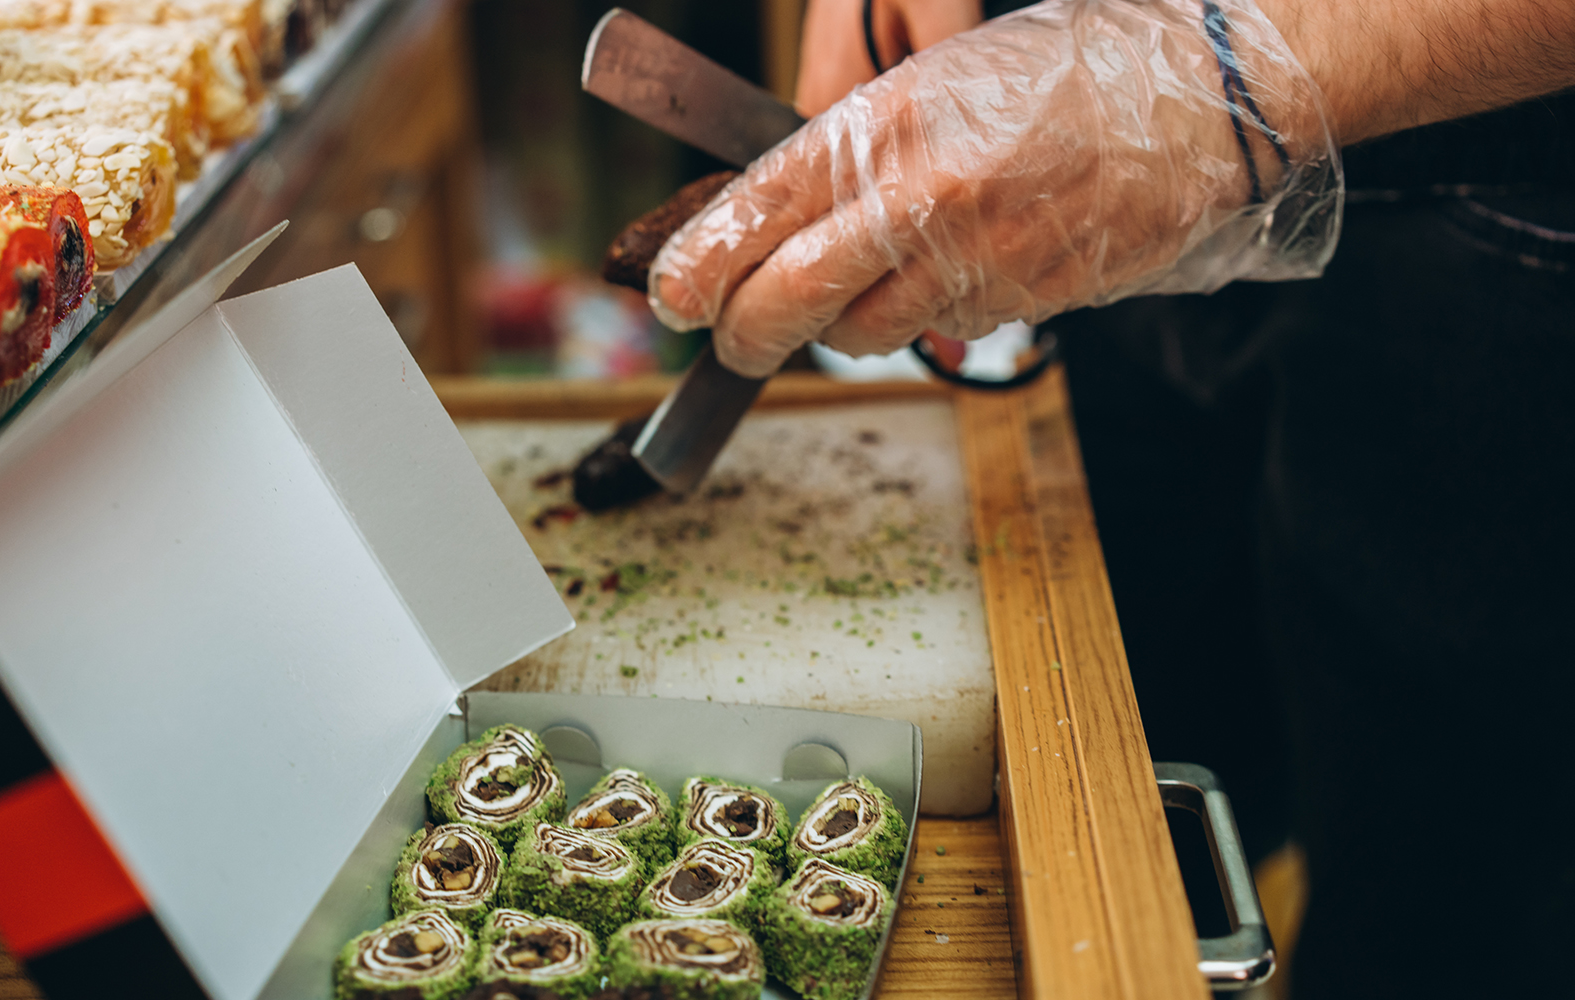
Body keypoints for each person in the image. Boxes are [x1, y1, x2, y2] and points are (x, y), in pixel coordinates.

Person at [645, 1, 1575, 997]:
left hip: (1492, 196)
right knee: (1120, 838)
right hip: (1087, 146)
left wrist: (1226, 81)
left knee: (1441, 910)